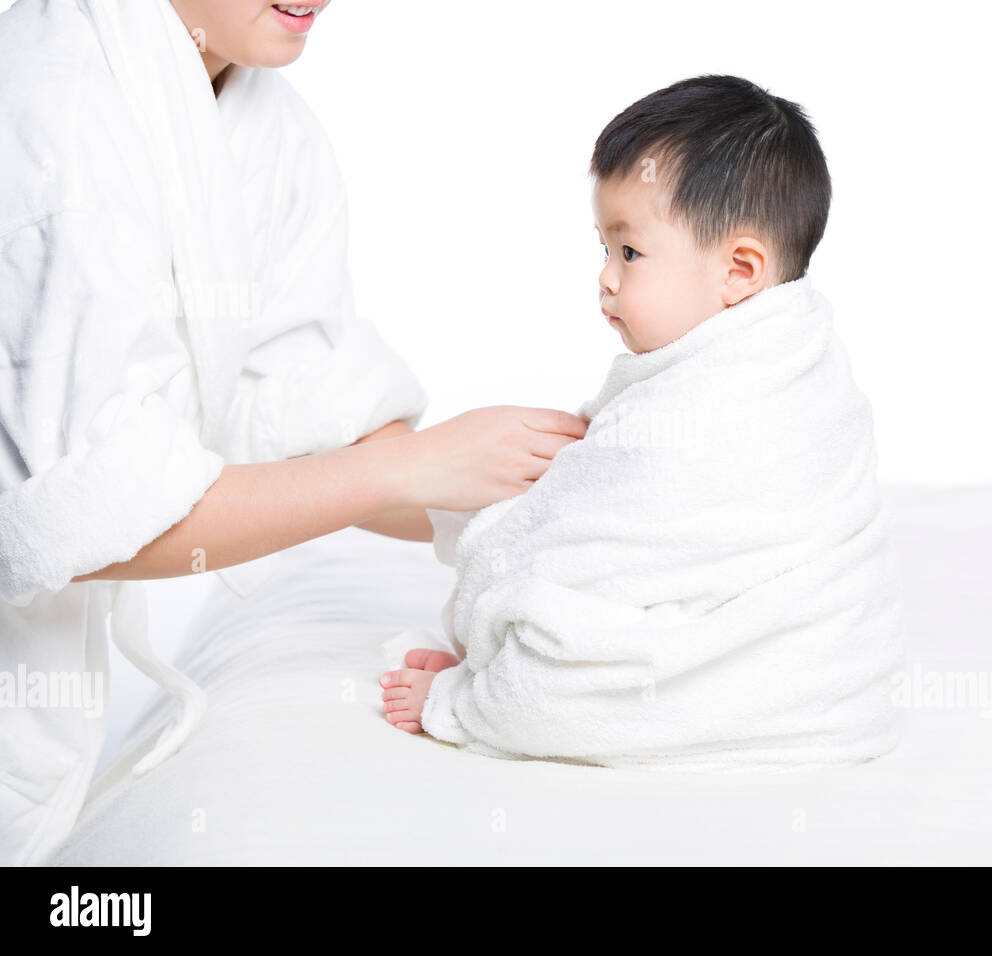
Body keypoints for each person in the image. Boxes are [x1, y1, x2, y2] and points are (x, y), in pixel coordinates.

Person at [0, 0, 586, 865]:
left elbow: (310, 418)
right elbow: (80, 523)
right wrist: (420, 468)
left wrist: (567, 498)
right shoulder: (58, 111)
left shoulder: (263, 120)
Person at [378, 76, 905, 771]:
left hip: (760, 687)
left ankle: (472, 703)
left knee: (552, 687)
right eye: (602, 248)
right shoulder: (796, 359)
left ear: (740, 269)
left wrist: (472, 676)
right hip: (841, 702)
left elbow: (569, 551)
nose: (605, 277)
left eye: (629, 252)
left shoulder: (713, 414)